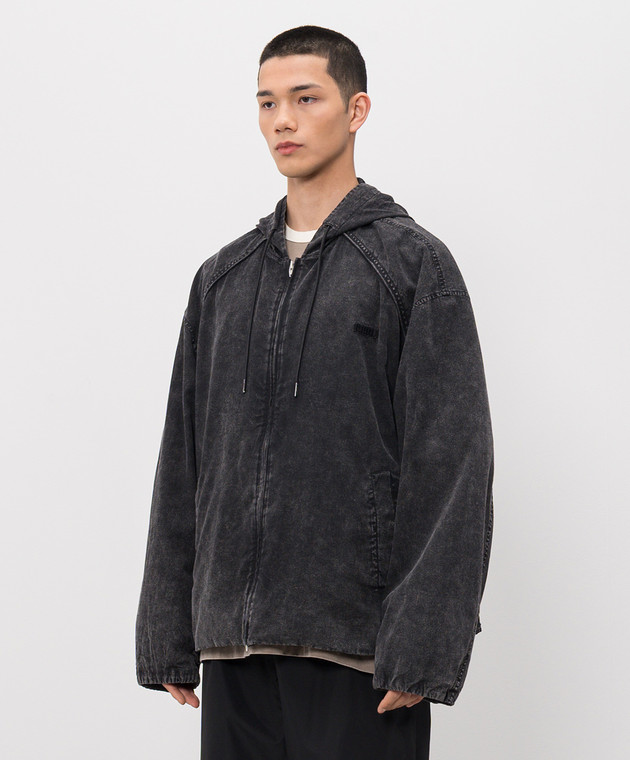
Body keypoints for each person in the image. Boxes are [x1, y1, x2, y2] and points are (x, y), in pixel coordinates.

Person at [135, 24, 494, 760]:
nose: (283, 121)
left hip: (357, 647)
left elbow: (453, 465)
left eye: (306, 99)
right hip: (234, 647)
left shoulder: (412, 265)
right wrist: (168, 625)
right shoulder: (223, 279)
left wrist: (425, 641)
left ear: (357, 110)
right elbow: (185, 459)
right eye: (267, 103)